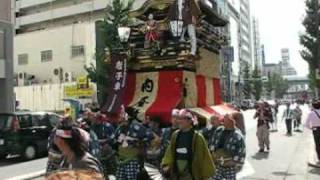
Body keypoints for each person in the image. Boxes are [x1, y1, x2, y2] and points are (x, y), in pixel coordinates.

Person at [161, 109, 215, 180]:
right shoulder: (175, 135)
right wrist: (167, 164)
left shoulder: (198, 137)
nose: (179, 121)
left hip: (191, 173)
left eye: (181, 119)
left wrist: (205, 176)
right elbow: (170, 151)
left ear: (189, 121)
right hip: (176, 172)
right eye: (178, 118)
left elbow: (204, 156)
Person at [115, 111, 154, 180]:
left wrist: (136, 141)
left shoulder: (136, 126)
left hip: (132, 159)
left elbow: (150, 135)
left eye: (122, 115)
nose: (120, 117)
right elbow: (115, 140)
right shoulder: (119, 128)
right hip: (121, 159)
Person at [209, 114, 246, 180]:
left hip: (230, 165)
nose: (223, 120)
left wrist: (234, 162)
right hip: (217, 164)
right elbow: (212, 143)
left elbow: (241, 151)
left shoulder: (237, 135)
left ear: (231, 121)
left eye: (225, 118)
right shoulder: (219, 130)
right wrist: (212, 155)